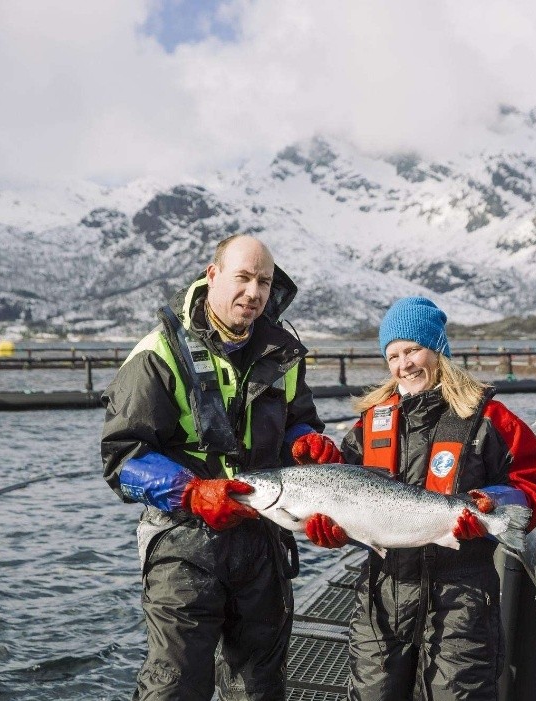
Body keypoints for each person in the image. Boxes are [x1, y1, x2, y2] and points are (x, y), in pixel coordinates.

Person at [101, 234, 342, 701]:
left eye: (265, 282)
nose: (254, 292)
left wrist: (305, 444)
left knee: (259, 688)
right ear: (212, 276)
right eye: (244, 278)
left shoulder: (284, 353)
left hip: (264, 541)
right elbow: (122, 457)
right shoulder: (157, 354)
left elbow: (298, 422)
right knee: (175, 686)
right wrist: (191, 493)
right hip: (182, 544)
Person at [306, 296, 536, 701]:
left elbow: (533, 485)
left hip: (462, 601)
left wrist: (491, 502)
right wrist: (333, 529)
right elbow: (344, 490)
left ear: (438, 350)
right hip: (381, 601)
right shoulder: (371, 423)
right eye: (393, 355)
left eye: (413, 350)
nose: (404, 365)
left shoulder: (490, 418)